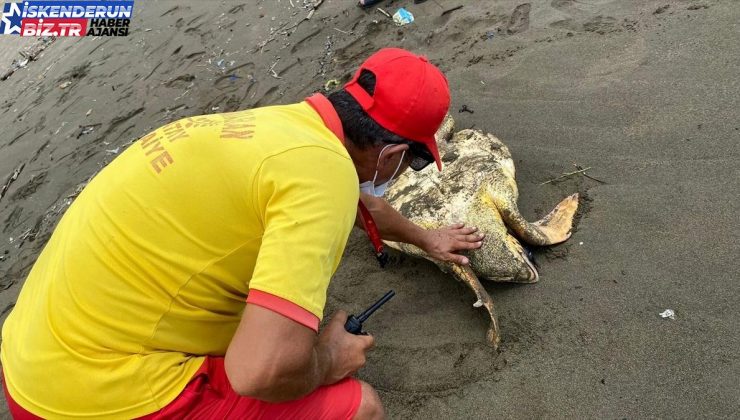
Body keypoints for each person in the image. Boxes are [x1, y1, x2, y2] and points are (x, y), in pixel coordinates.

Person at [1, 48, 484, 419]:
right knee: (359, 405)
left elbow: (363, 204)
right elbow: (261, 371)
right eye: (416, 159)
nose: (408, 168)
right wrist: (324, 359)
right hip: (85, 397)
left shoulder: (283, 127)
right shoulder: (324, 179)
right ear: (393, 154)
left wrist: (425, 238)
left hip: (29, 356)